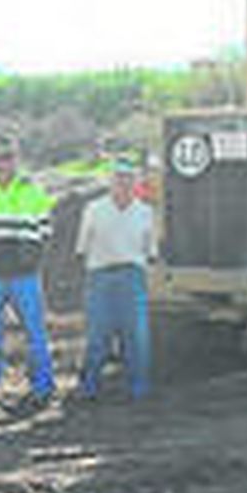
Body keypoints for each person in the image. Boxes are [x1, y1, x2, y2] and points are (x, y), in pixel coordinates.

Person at [0, 134, 57, 406]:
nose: (3, 162)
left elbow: (45, 232)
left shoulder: (33, 190)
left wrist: (28, 262)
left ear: (17, 159)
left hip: (24, 277)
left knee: (36, 332)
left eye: (8, 157)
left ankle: (42, 387)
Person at [75, 157, 157, 402]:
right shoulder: (93, 209)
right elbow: (82, 247)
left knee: (136, 336)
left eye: (128, 178)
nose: (123, 183)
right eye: (118, 177)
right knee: (97, 335)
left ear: (136, 182)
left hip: (132, 276)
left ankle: (138, 388)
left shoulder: (145, 212)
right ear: (110, 181)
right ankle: (89, 387)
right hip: (100, 276)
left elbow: (150, 251)